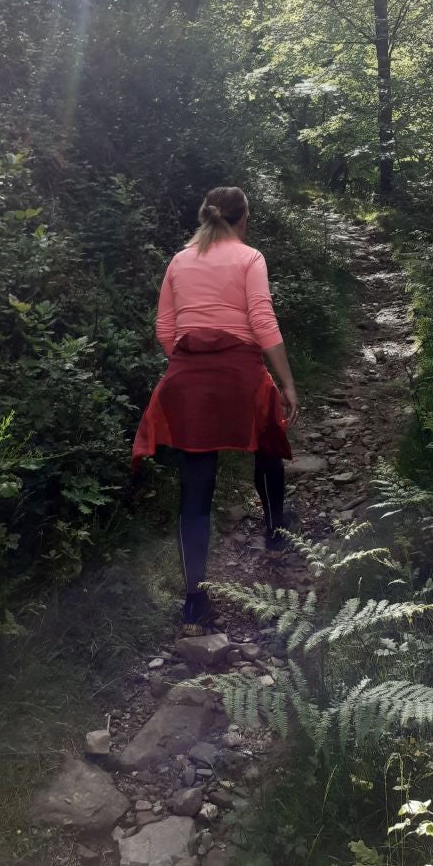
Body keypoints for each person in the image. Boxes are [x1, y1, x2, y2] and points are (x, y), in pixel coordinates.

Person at [133, 186, 300, 633]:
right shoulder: (250, 258)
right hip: (241, 373)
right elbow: (262, 320)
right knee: (268, 440)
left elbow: (165, 330)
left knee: (196, 485)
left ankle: (194, 599)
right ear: (243, 219)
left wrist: (190, 364)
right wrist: (285, 382)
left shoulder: (178, 261)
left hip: (187, 379)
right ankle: (275, 537)